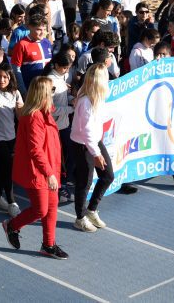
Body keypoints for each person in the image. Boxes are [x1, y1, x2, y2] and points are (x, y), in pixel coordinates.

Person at [2, 76, 68, 259]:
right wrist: (49, 173)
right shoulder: (33, 117)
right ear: (43, 93)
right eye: (52, 90)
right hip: (37, 170)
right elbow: (35, 149)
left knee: (52, 206)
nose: (54, 93)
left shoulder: (45, 113)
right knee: (41, 209)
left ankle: (49, 244)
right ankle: (12, 226)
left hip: (49, 168)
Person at [71, 63, 113, 232]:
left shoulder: (97, 97)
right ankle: (80, 218)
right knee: (84, 182)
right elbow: (86, 130)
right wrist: (96, 153)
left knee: (108, 175)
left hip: (94, 142)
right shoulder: (86, 101)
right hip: (83, 145)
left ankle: (91, 209)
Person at [0, 66, 23, 217]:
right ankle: (11, 201)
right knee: (8, 168)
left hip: (11, 136)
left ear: (10, 78)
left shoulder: (15, 93)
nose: (1, 80)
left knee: (3, 167)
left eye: (5, 77)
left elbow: (20, 117)